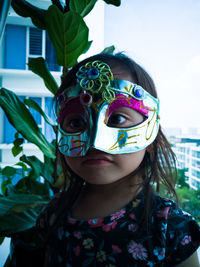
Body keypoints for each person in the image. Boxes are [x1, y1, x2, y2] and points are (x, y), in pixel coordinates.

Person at [36, 53, 200, 267]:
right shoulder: (53, 213)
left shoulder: (172, 227)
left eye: (117, 119)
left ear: (151, 134)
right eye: (76, 122)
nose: (94, 142)